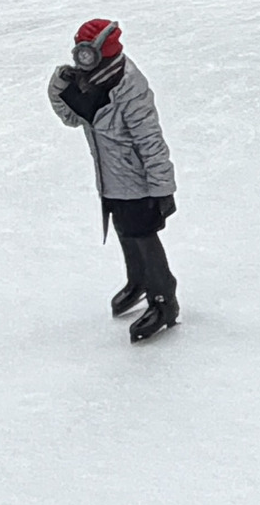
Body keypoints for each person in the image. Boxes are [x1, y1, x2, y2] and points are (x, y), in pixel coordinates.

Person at [48, 18, 181, 342]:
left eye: (86, 53)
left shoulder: (129, 87)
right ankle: (138, 280)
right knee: (124, 231)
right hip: (109, 178)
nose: (80, 60)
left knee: (143, 236)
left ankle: (163, 299)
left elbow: (150, 139)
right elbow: (71, 117)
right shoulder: (88, 83)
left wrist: (162, 188)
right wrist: (57, 87)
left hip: (137, 182)